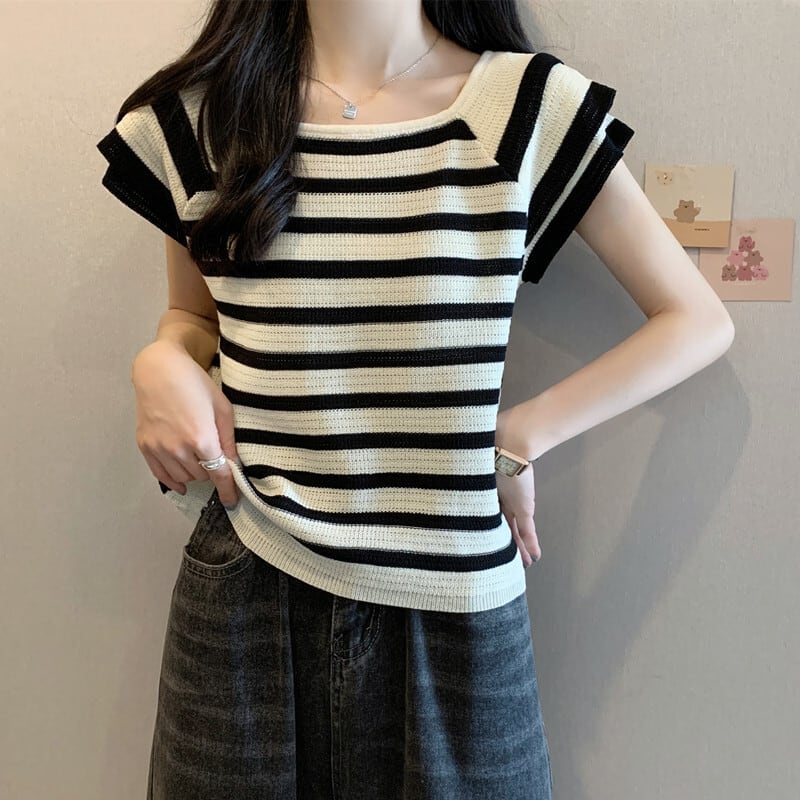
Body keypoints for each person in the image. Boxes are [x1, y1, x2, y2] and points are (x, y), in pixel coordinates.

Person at [96, 1, 735, 798]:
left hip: (455, 605)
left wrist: (519, 436)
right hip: (247, 591)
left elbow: (696, 320)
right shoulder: (202, 119)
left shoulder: (524, 111)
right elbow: (193, 317)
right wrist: (159, 360)